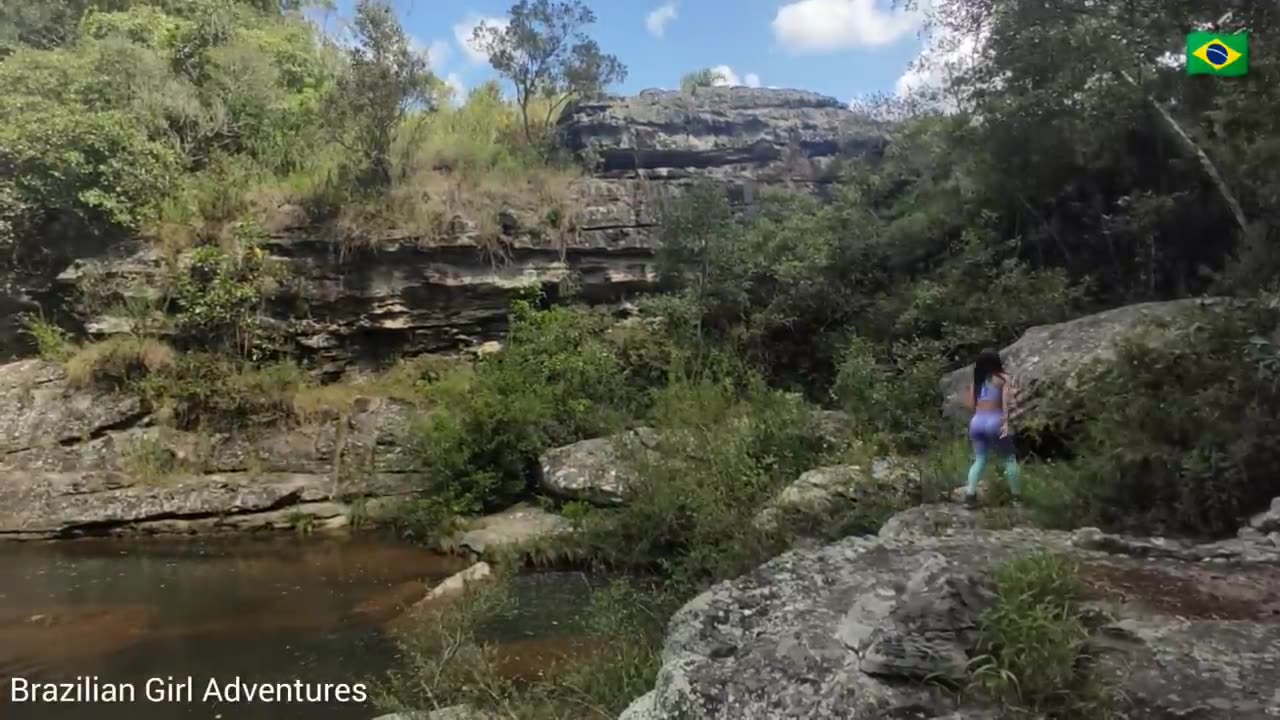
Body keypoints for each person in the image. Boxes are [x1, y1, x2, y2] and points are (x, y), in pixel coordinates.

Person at [962, 348, 1020, 507]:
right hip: (995, 421)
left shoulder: (976, 382)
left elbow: (969, 405)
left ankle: (970, 496)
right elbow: (1007, 403)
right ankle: (1016, 498)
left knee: (980, 459)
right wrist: (1006, 421)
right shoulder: (1003, 378)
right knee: (1009, 459)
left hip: (977, 422)